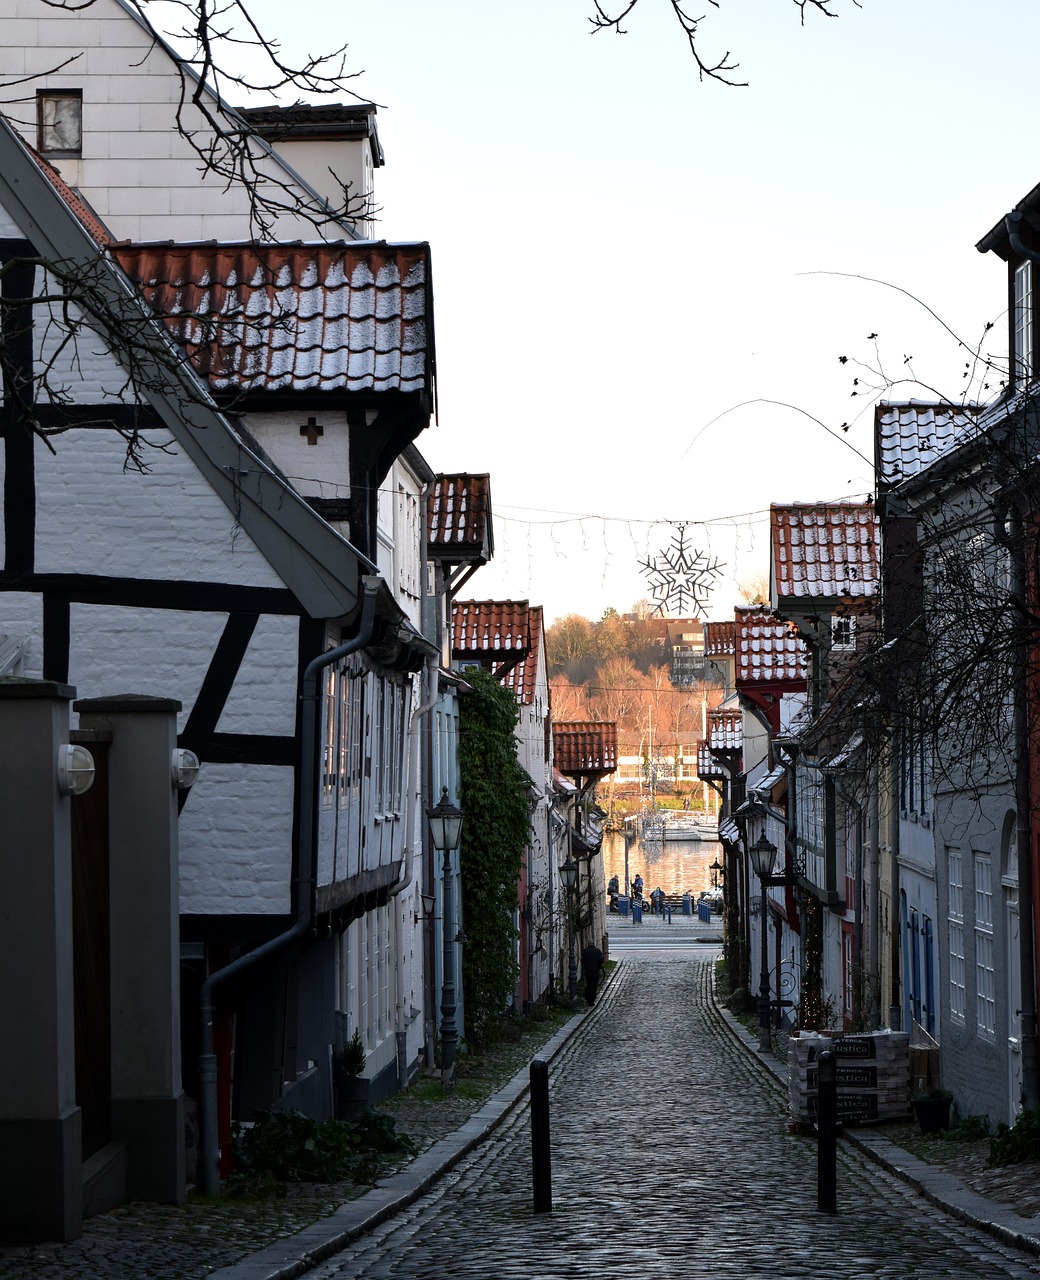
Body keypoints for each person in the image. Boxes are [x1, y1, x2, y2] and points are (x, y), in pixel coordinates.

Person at [581, 941, 604, 1006]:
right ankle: (591, 1000)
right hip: (595, 972)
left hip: (588, 972)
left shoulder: (585, 951)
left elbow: (583, 961)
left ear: (588, 945)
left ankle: (587, 998)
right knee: (594, 986)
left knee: (588, 985)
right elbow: (601, 961)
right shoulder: (597, 951)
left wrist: (585, 968)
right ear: (593, 945)